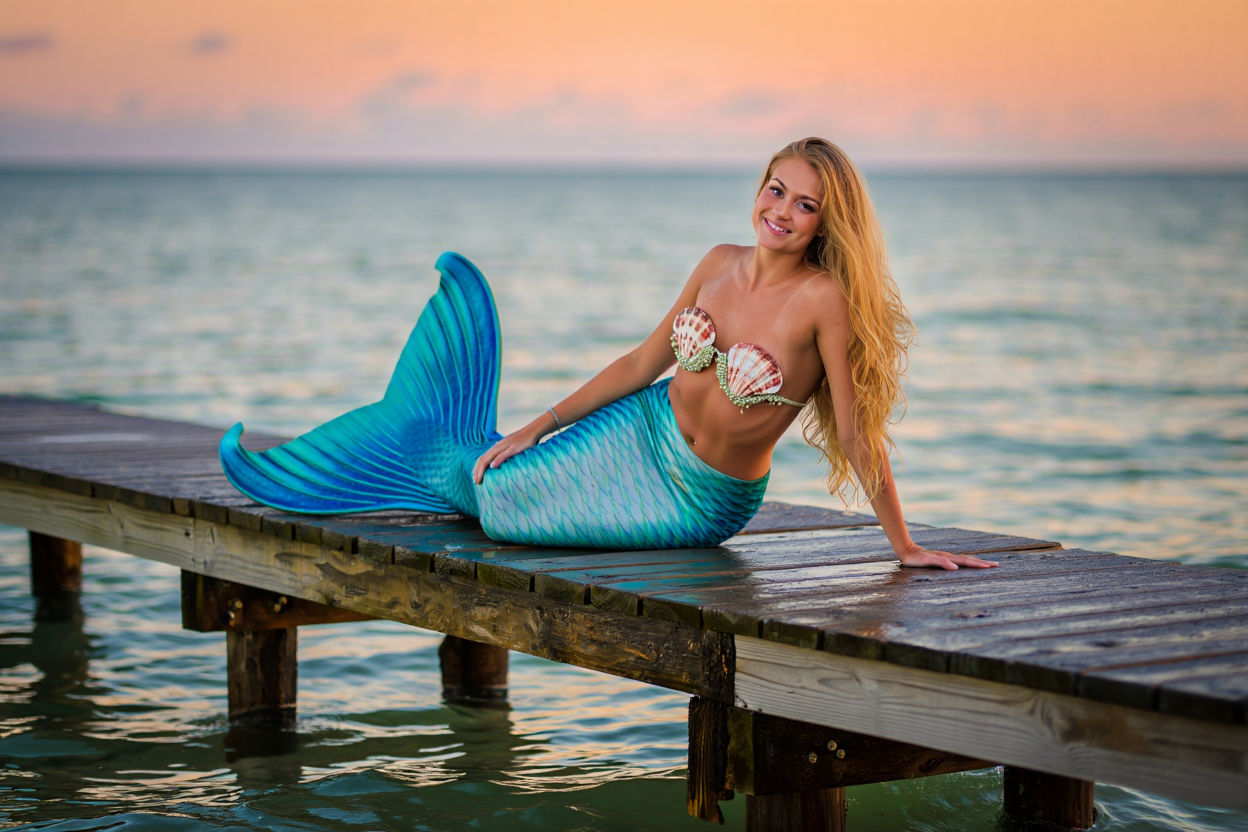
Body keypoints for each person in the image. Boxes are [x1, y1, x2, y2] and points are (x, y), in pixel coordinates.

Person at [220, 138, 997, 570]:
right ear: (757, 190)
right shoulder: (717, 262)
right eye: (774, 189)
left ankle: (422, 450)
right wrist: (533, 427)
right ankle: (431, 442)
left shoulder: (821, 301)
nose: (782, 211)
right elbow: (641, 364)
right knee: (496, 479)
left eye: (805, 204)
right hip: (642, 429)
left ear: (827, 224)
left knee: (503, 517)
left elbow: (859, 433)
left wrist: (905, 544)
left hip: (701, 498)